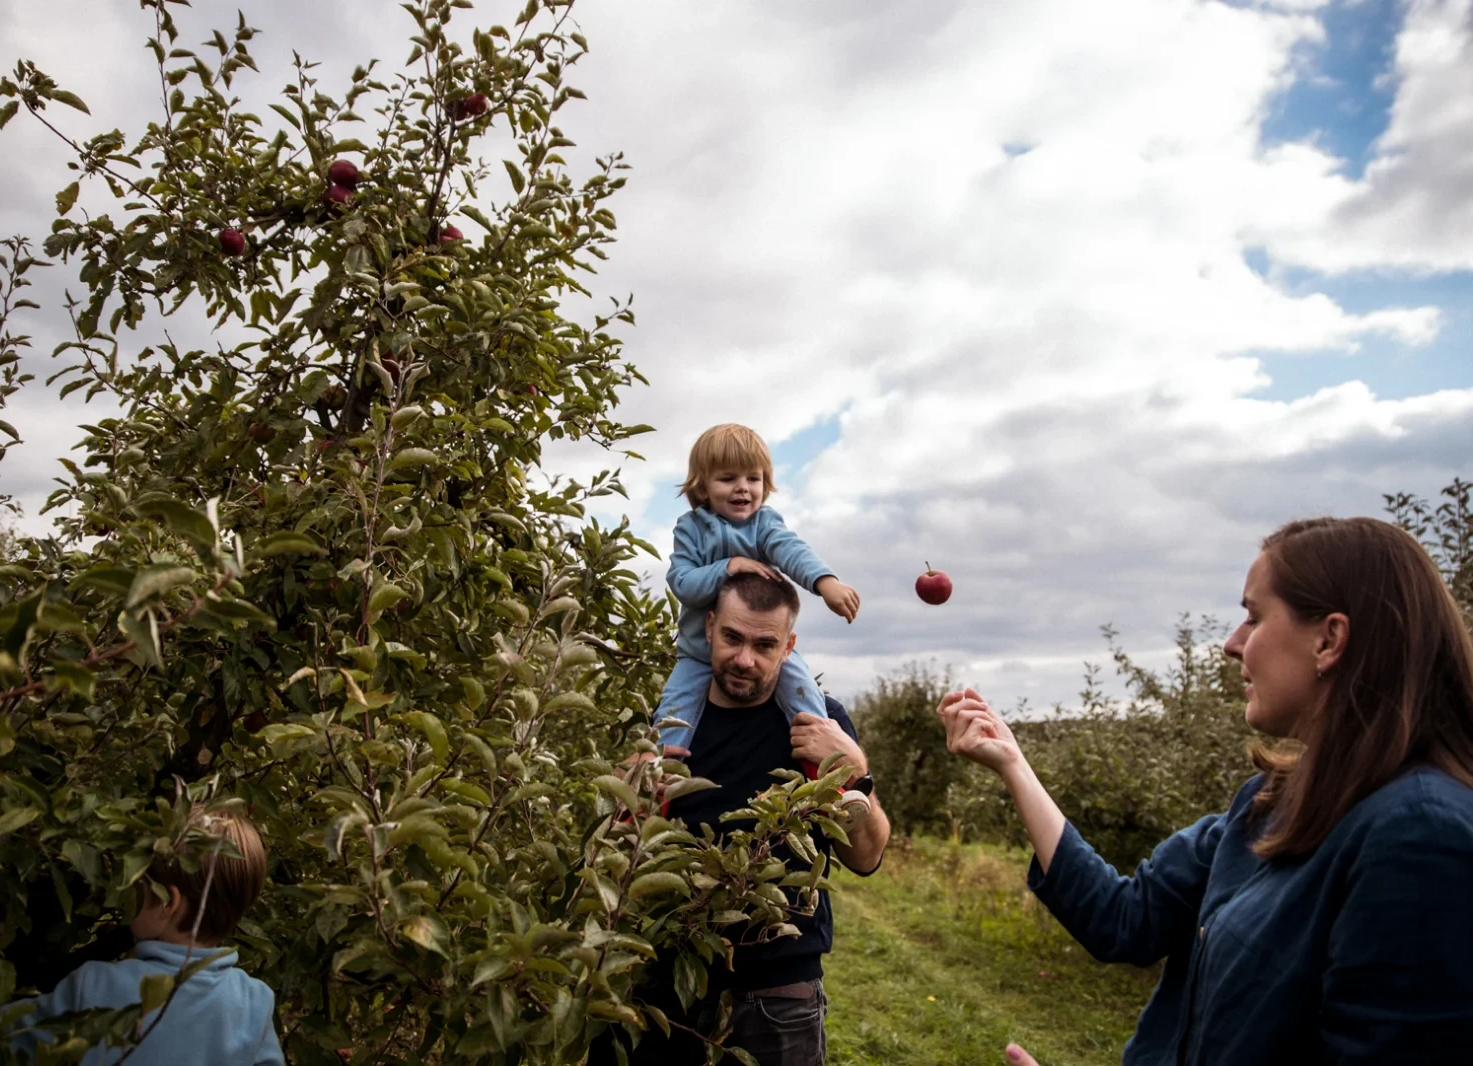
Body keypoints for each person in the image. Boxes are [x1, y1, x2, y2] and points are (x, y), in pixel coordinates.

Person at [938, 517, 1473, 1066]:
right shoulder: (1267, 804)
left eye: (1254, 617)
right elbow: (1126, 920)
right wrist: (1014, 764)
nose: (1232, 643)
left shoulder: (1420, 839)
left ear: (1329, 639)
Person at [597, 571, 891, 1066]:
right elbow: (618, 852)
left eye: (764, 645)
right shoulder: (668, 724)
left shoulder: (821, 723)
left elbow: (865, 858)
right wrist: (625, 800)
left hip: (777, 990)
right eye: (732, 637)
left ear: (788, 647)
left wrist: (855, 771)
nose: (744, 659)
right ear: (709, 627)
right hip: (659, 973)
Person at [9, 809, 283, 1065]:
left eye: (138, 882)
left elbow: (0, 1036)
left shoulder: (94, 986)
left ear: (167, 903)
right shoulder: (254, 1003)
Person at [654, 423, 861, 757]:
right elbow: (683, 583)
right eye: (728, 478)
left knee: (804, 692)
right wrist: (729, 566)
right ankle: (658, 777)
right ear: (703, 487)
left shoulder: (765, 525)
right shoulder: (691, 530)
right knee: (673, 713)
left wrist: (825, 582)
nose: (743, 488)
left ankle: (824, 766)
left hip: (763, 653)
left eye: (753, 478)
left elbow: (792, 551)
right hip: (696, 653)